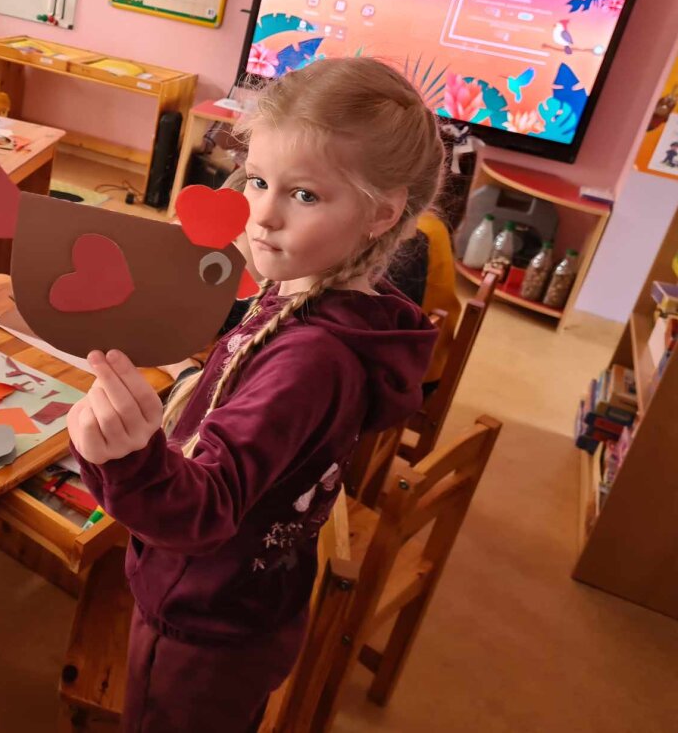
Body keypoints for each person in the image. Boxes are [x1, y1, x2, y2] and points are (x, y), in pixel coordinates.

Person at [67, 58, 445, 732]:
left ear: (381, 214)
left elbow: (202, 512)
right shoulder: (316, 293)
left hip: (204, 623)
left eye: (306, 196)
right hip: (253, 595)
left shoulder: (313, 358)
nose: (263, 215)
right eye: (259, 181)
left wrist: (125, 459)